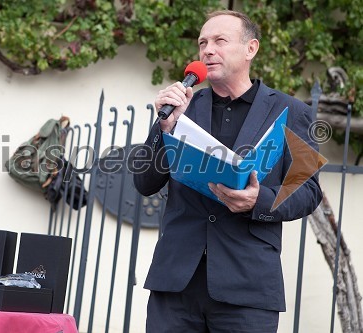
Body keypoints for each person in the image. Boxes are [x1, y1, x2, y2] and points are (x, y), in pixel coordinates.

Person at [133, 10, 323, 333]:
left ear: (251, 49)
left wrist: (258, 200)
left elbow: (307, 191)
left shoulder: (290, 112)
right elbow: (145, 182)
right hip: (176, 286)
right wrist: (164, 127)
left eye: (220, 41)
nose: (208, 50)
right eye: (203, 42)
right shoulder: (183, 108)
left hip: (247, 289)